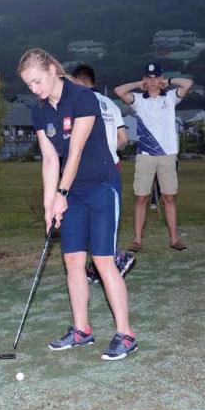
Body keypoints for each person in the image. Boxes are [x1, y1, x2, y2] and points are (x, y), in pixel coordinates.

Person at [18, 48, 137, 360]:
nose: (35, 89)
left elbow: (75, 153)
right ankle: (82, 330)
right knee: (72, 260)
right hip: (72, 192)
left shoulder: (83, 98)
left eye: (37, 81)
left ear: (53, 70)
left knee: (102, 260)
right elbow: (48, 159)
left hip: (100, 186)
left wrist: (61, 194)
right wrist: (48, 205)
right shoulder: (40, 111)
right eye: (29, 85)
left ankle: (126, 333)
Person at [115, 63, 192, 252]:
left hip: (167, 155)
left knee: (169, 197)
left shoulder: (171, 98)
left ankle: (174, 239)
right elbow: (119, 90)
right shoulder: (139, 100)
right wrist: (138, 84)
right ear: (145, 79)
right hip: (145, 155)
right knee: (141, 198)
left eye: (156, 77)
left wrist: (168, 82)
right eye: (148, 78)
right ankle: (137, 240)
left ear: (161, 78)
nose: (152, 81)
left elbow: (188, 84)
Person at [71, 64, 135, 282]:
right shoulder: (110, 104)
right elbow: (124, 140)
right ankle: (103, 263)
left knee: (84, 218)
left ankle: (111, 261)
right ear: (93, 82)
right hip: (111, 168)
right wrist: (109, 151)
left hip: (87, 170)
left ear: (75, 82)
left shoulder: (78, 103)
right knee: (108, 220)